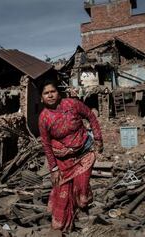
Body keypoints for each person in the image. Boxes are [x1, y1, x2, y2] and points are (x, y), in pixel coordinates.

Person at [38, 78, 103, 232]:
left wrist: (98, 138)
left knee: (81, 189)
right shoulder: (44, 118)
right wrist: (53, 169)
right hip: (62, 162)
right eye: (46, 93)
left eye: (53, 91)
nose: (50, 95)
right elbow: (46, 144)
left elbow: (91, 116)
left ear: (58, 94)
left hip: (83, 154)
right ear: (42, 98)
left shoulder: (72, 104)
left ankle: (82, 213)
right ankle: (63, 226)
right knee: (63, 193)